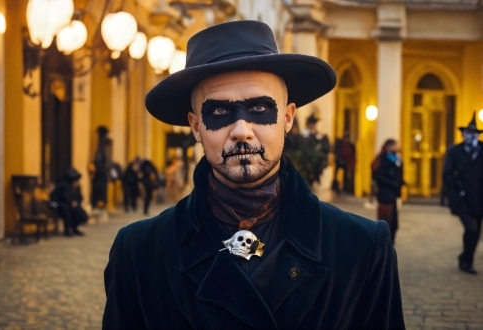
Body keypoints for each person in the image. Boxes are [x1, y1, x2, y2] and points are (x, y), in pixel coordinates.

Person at [103, 20, 404, 329]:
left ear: (287, 118)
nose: (241, 131)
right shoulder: (140, 254)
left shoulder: (361, 249)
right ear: (196, 126)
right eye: (219, 112)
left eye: (260, 109)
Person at [442, 113, 483, 275]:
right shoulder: (455, 151)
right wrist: (459, 189)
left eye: (473, 134)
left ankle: (467, 259)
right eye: (467, 133)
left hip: (479, 198)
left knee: (476, 232)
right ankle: (466, 259)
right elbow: (447, 174)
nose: (470, 136)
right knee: (470, 228)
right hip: (463, 198)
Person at [371, 139, 405, 245]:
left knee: (394, 222)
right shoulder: (381, 158)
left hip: (393, 194)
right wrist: (391, 183)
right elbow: (377, 175)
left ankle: (391, 242)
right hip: (385, 194)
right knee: (385, 219)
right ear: (389, 146)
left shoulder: (397, 159)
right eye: (395, 145)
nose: (397, 148)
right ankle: (383, 242)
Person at [50, 168, 88, 236]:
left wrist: (76, 202)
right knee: (66, 212)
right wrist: (68, 203)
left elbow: (80, 197)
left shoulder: (76, 186)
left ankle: (74, 228)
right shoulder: (61, 185)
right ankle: (67, 230)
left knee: (83, 215)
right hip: (61, 206)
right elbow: (56, 197)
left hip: (73, 206)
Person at [299, 113, 330, 186]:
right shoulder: (304, 135)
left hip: (316, 165)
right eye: (311, 124)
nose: (312, 126)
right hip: (305, 164)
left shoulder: (319, 136)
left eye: (313, 124)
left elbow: (325, 148)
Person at [91, 126, 110, 209]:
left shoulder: (101, 148)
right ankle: (99, 203)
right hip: (101, 173)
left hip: (101, 173)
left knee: (100, 190)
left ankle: (99, 203)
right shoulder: (101, 148)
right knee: (100, 190)